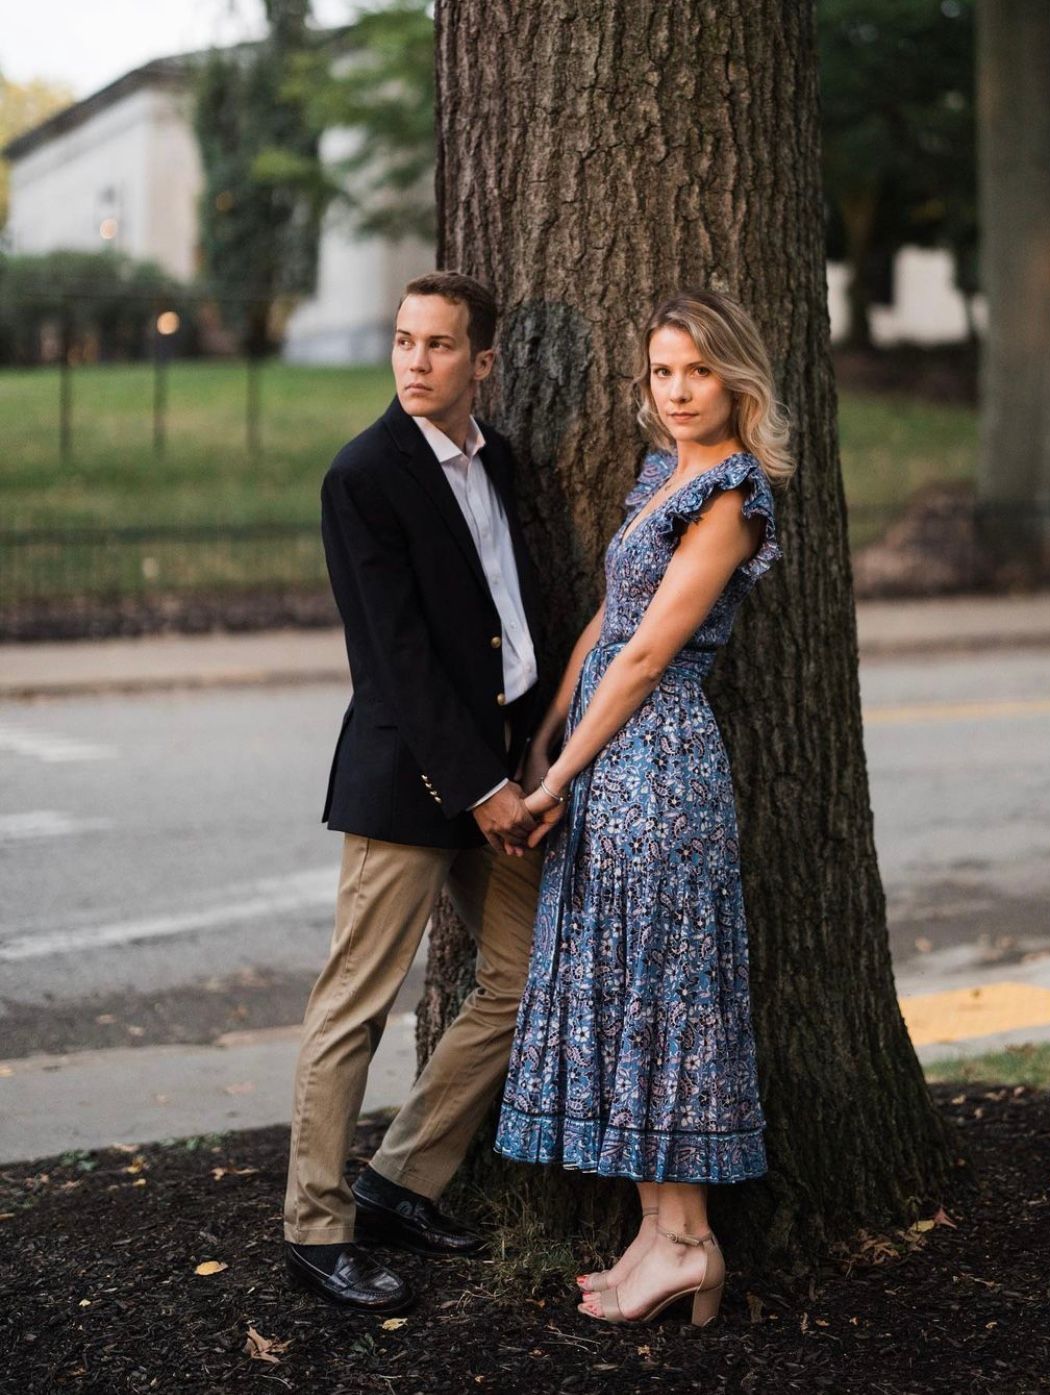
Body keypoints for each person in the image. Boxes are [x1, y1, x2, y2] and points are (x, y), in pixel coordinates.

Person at [495, 287, 793, 1327]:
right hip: (603, 748)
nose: (676, 390)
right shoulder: (664, 472)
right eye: (663, 371)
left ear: (735, 380)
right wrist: (544, 736)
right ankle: (660, 1235)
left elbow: (651, 653)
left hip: (658, 761)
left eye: (698, 371)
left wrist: (556, 777)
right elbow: (607, 622)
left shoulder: (733, 495)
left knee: (666, 998)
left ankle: (693, 1240)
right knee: (630, 991)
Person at [283, 272, 547, 1311]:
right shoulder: (364, 475)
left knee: (521, 980)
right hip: (411, 781)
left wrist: (530, 754)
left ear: (482, 361)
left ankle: (399, 1179)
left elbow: (510, 619)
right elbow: (392, 656)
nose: (415, 361)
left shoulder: (501, 461)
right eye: (404, 341)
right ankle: (314, 1229)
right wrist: (480, 783)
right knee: (354, 1006)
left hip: (504, 771)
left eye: (439, 345)